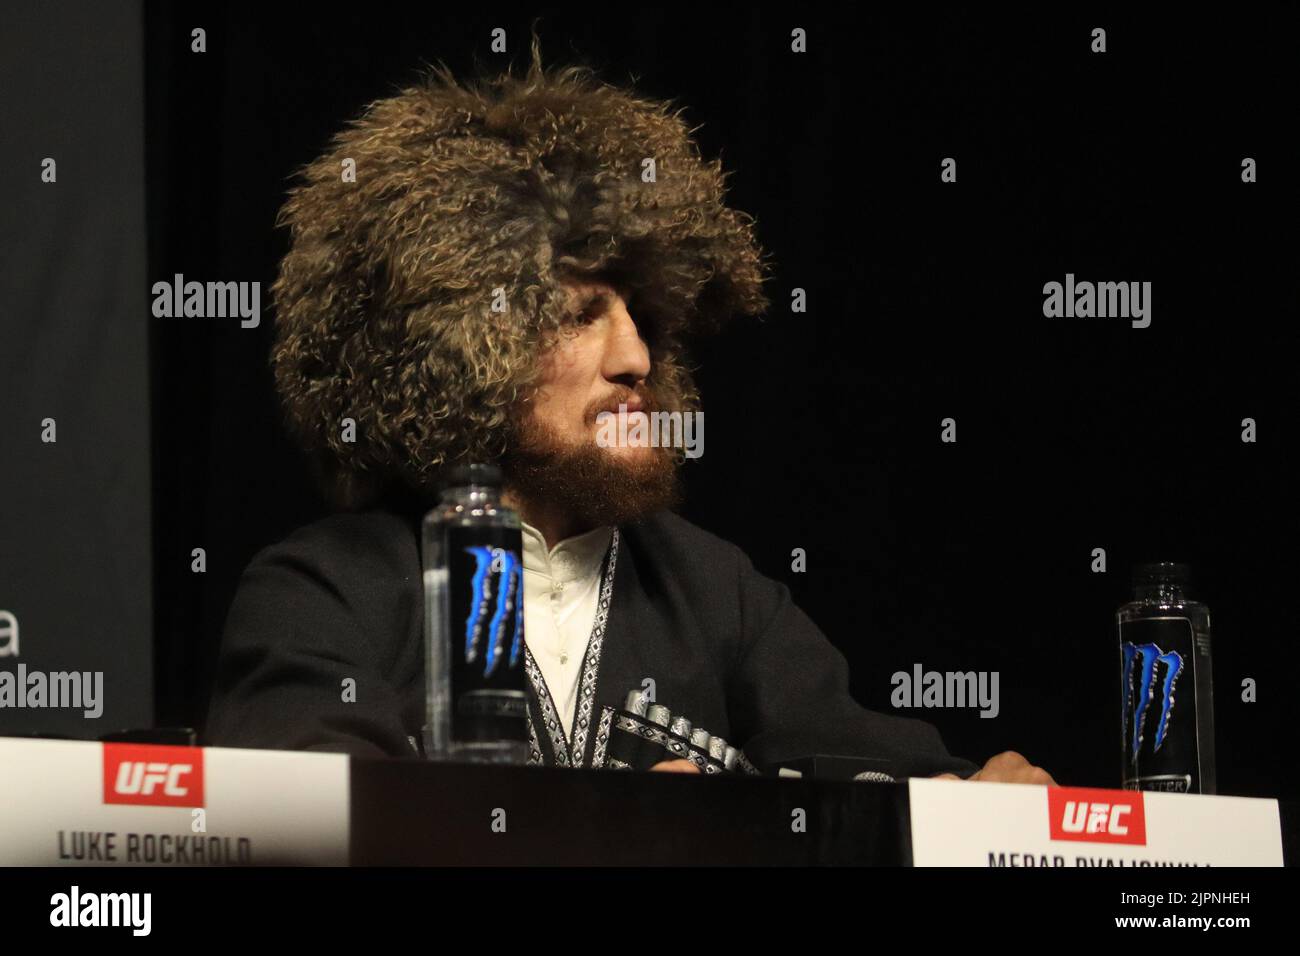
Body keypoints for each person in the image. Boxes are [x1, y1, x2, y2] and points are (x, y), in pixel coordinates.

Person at [205, 40, 1055, 787]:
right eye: (581, 316)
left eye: (645, 321)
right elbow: (310, 818)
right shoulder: (322, 589)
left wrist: (977, 794)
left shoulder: (720, 593)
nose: (637, 359)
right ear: (460, 344)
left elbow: (876, 774)